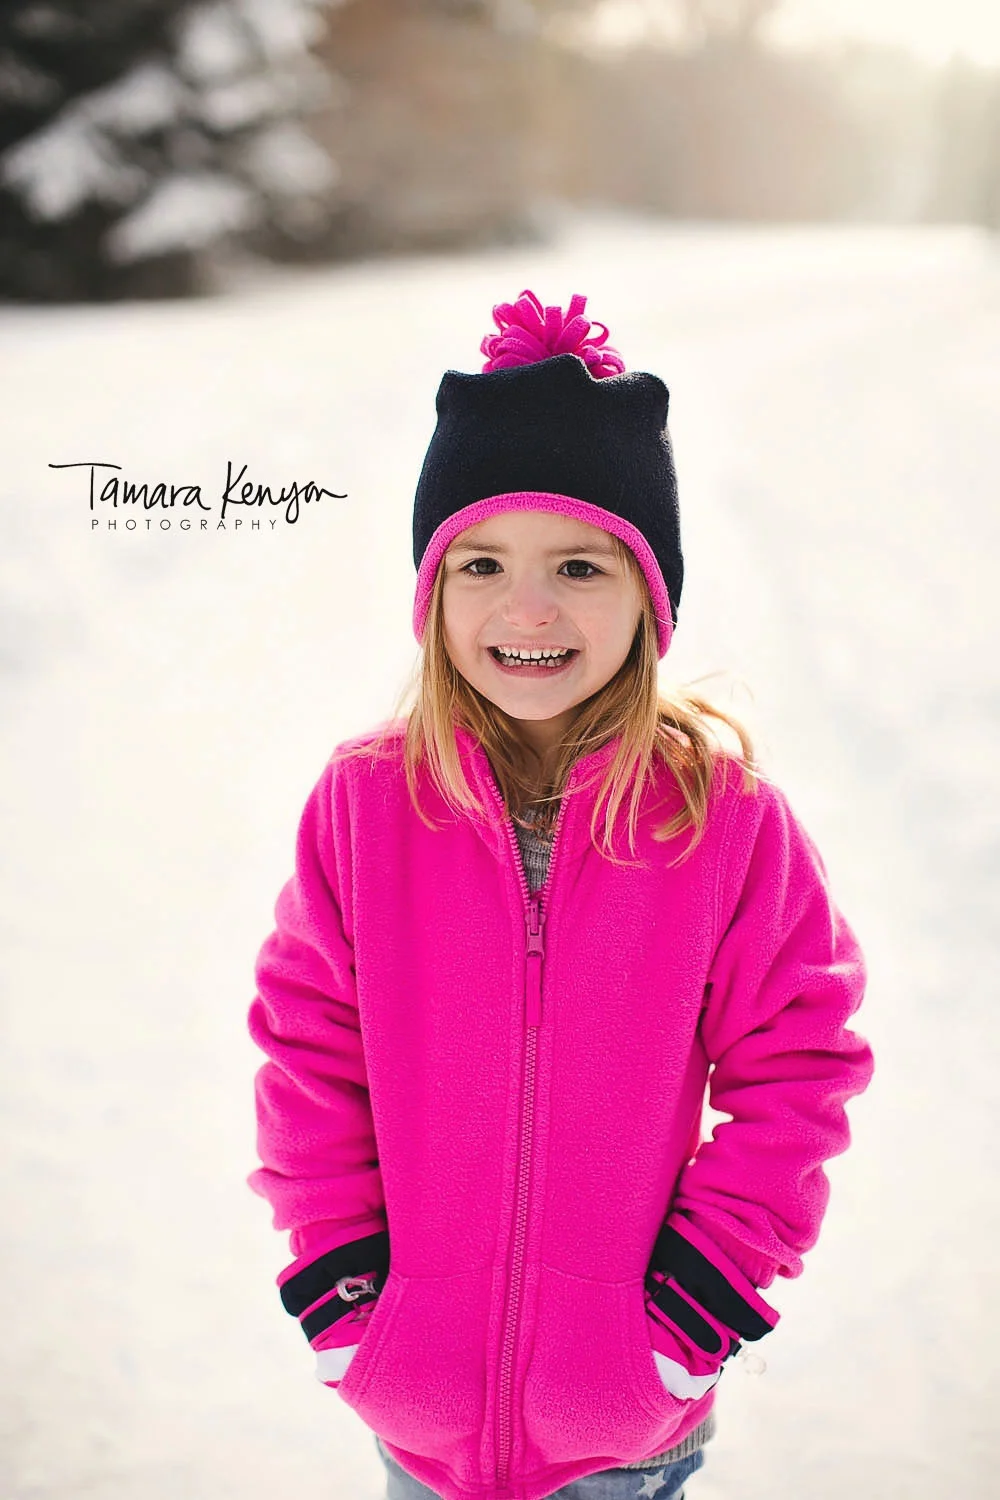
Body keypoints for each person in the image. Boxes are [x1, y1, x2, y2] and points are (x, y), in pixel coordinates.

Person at [246, 289, 875, 1500]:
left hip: (626, 1424)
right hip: (417, 1413)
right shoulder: (366, 806)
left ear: (651, 597)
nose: (525, 608)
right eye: (480, 562)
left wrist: (686, 1318)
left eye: (578, 565)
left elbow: (798, 1070)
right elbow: (307, 1056)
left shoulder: (722, 824)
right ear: (432, 594)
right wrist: (344, 1300)